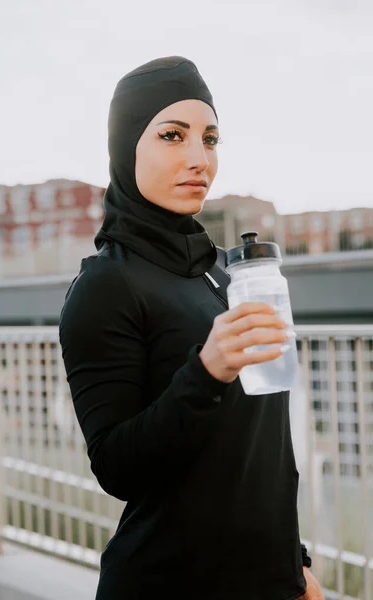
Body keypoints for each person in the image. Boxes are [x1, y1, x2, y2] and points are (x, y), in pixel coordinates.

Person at [59, 56, 324, 600]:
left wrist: (294, 564)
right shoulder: (106, 286)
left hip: (270, 583)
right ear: (127, 145)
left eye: (211, 138)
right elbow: (116, 466)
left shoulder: (233, 270)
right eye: (173, 136)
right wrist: (207, 370)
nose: (199, 159)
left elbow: (263, 447)